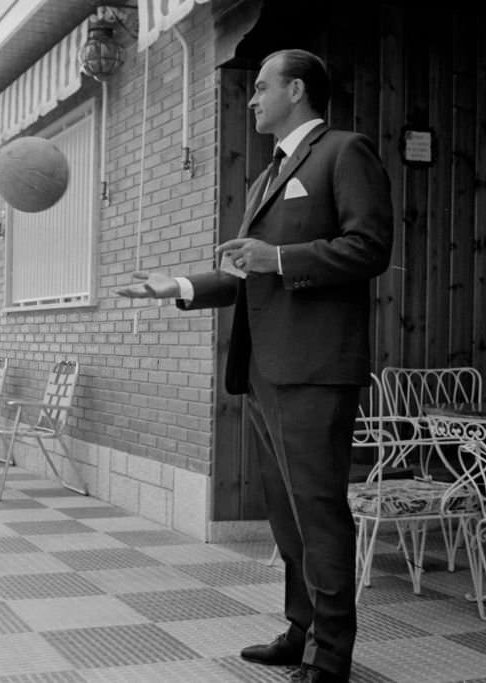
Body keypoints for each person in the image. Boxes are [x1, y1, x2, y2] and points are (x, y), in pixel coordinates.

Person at [117, 49, 392, 683]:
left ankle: (332, 656)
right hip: (264, 368)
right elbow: (248, 270)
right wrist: (177, 285)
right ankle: (301, 629)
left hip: (314, 369)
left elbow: (369, 247)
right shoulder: (272, 174)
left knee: (318, 510)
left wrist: (279, 259)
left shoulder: (344, 152)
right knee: (286, 513)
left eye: (262, 87)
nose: (251, 98)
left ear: (296, 89)